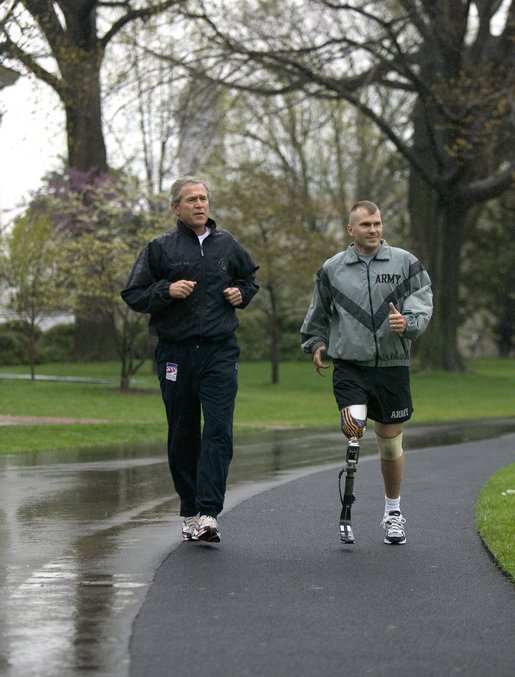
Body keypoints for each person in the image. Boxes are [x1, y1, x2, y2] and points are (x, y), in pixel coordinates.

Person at [121, 176, 259, 543]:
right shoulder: (159, 248)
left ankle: (210, 512)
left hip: (219, 351)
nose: (200, 204)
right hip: (176, 355)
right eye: (192, 199)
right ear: (176, 208)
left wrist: (240, 294)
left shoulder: (226, 244)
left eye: (204, 198)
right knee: (183, 432)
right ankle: (190, 510)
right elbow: (133, 294)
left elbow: (250, 280)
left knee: (218, 429)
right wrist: (166, 289)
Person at [300, 200, 432, 544]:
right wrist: (315, 342)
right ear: (350, 230)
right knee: (354, 425)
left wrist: (409, 322)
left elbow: (422, 298)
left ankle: (392, 512)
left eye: (377, 224)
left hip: (392, 366)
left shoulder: (406, 263)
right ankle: (347, 507)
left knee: (390, 446)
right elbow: (318, 312)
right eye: (365, 225)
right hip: (350, 366)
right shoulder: (332, 269)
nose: (373, 230)